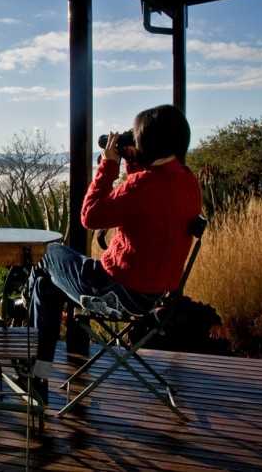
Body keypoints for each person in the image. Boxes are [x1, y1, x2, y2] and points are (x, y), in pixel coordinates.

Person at [19, 104, 203, 402]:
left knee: (46, 253)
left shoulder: (145, 185)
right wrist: (133, 163)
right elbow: (143, 202)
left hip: (113, 290)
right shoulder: (187, 180)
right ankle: (36, 376)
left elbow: (90, 216)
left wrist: (107, 165)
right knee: (46, 288)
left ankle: (24, 311)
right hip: (152, 296)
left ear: (148, 141)